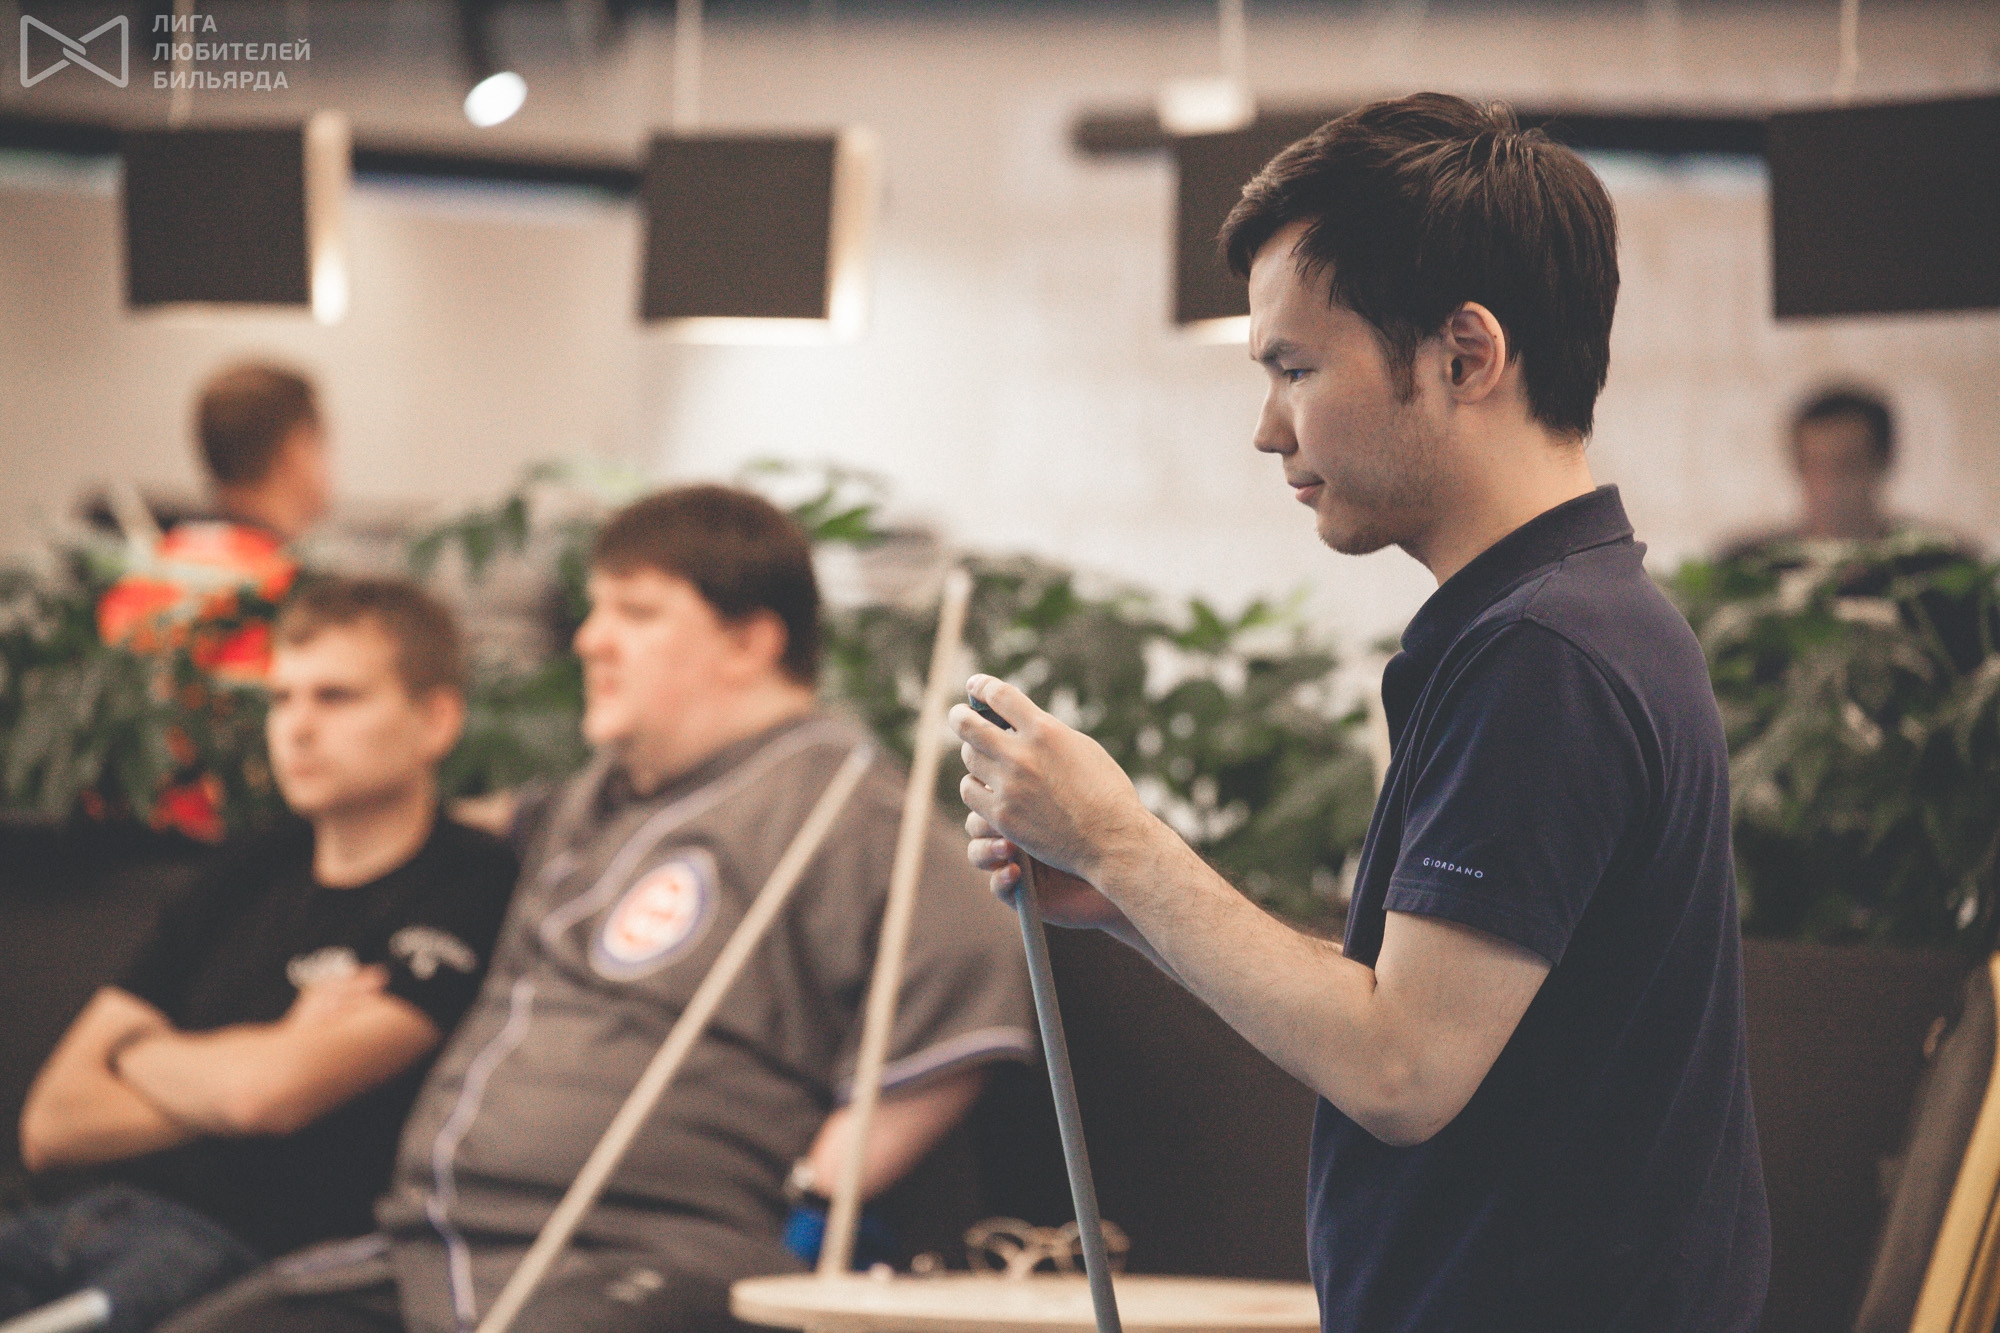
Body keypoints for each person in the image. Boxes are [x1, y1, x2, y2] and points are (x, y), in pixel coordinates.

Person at [953, 94, 1769, 1331]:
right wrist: (1121, 900)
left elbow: (1400, 1066)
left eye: (1294, 367)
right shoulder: (1560, 623)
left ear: (1464, 356)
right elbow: (1410, 1017)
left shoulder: (1543, 654)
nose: (1264, 427)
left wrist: (1121, 842)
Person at [164, 485, 1035, 1333]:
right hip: (437, 1247)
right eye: (594, 609)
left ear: (749, 641)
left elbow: (978, 958)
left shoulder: (837, 802)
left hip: (637, 1256)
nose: (589, 639)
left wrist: (817, 1195)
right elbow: (463, 823)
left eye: (636, 612)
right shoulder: (599, 798)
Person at [6, 578, 518, 1332]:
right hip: (66, 1218)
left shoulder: (468, 881)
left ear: (435, 720)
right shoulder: (251, 865)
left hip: (239, 1259)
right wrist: (267, 1050)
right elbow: (52, 1122)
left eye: (336, 697)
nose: (297, 728)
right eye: (282, 698)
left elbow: (266, 1096)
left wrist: (137, 1053)